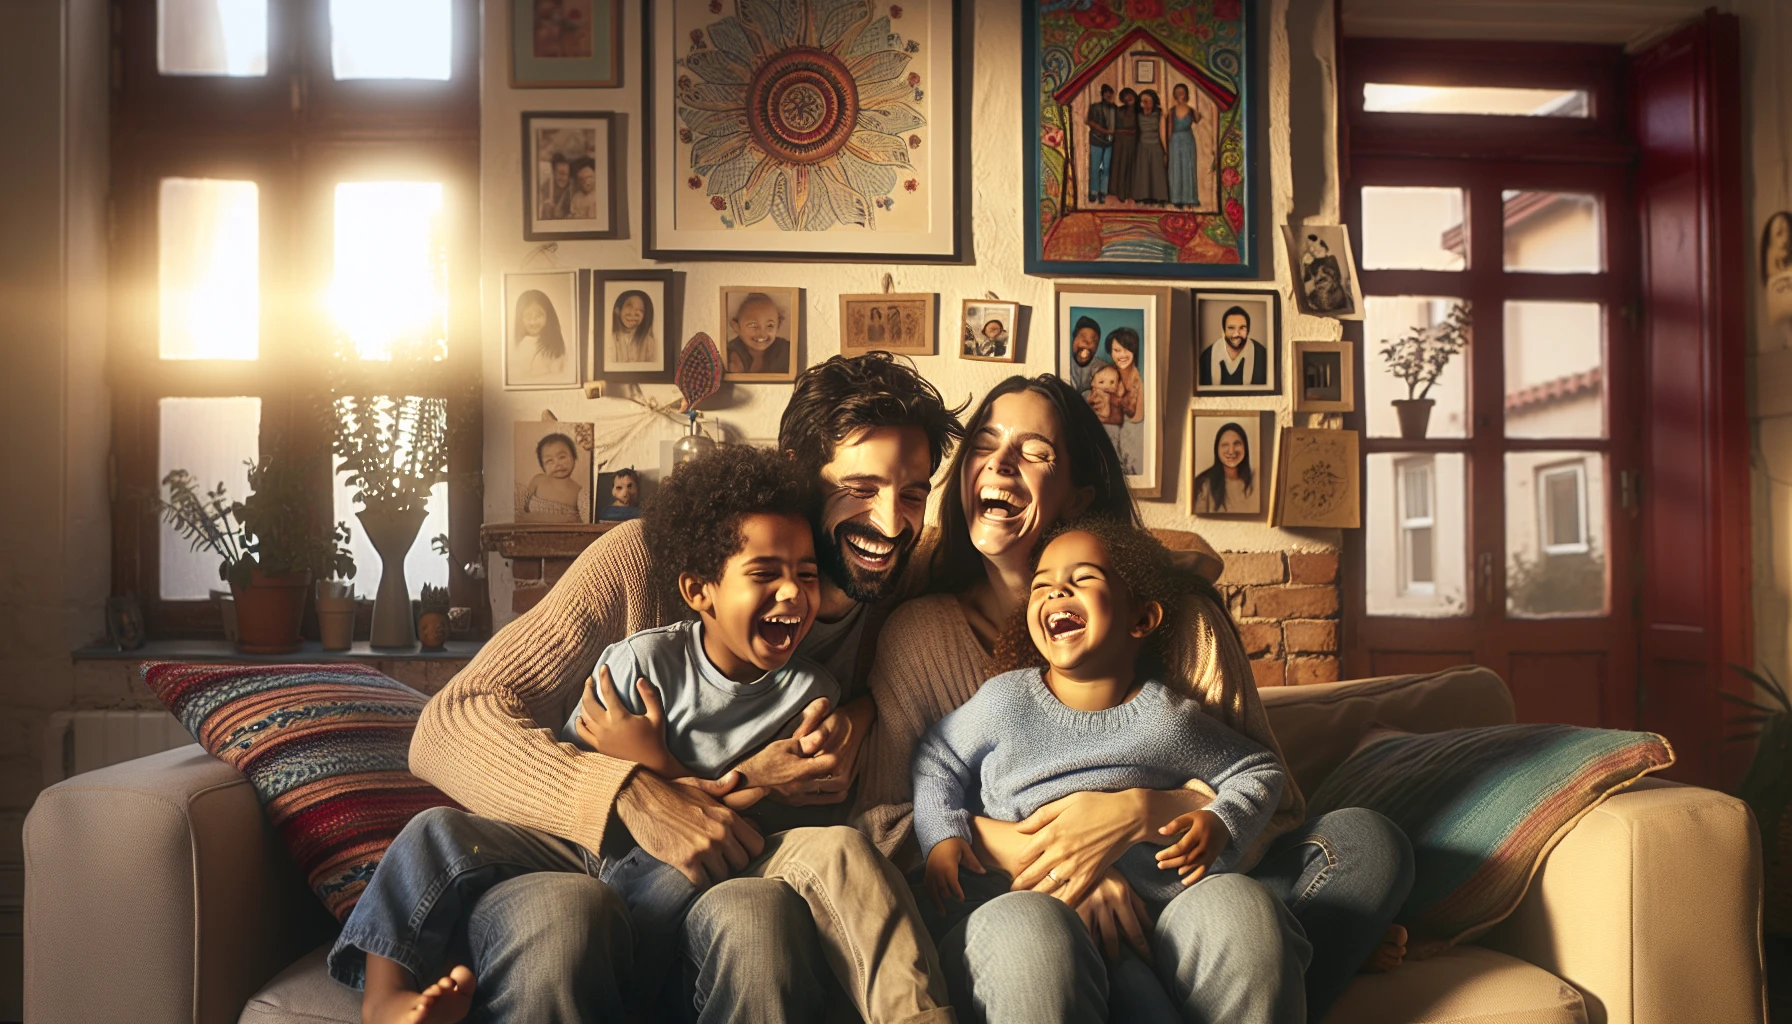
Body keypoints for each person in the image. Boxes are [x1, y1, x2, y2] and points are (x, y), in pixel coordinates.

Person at [405, 354, 964, 1023]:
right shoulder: (647, 561)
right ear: (794, 468)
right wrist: (632, 792)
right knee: (563, 921)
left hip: (740, 889)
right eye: (860, 487)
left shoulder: (908, 600)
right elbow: (451, 723)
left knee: (756, 921)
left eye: (912, 493)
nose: (893, 522)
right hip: (575, 875)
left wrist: (864, 712)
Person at [853, 374, 1413, 1024]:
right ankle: (1261, 961)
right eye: (985, 442)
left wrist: (1138, 814)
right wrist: (1056, 862)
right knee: (1035, 940)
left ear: (1079, 496)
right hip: (1018, 906)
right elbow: (883, 829)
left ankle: (1207, 963)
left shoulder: (1183, 625)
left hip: (1177, 890)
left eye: (1034, 451)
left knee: (1366, 846)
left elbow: (1276, 805)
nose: (1000, 462)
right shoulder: (920, 637)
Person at [916, 518, 1291, 996]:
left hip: (1143, 927)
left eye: (1082, 578)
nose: (1056, 593)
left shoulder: (1166, 720)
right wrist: (941, 834)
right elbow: (936, 755)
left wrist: (1221, 821)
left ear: (1141, 619)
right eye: (1042, 586)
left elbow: (1257, 769)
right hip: (1024, 910)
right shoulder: (1004, 702)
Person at [516, 432, 589, 523]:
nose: (557, 464)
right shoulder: (538, 480)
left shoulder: (578, 491)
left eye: (562, 457)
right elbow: (522, 508)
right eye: (549, 461)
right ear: (543, 467)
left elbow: (578, 520)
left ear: (574, 457)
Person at [1197, 304, 1269, 389]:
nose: (1236, 333)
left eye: (1242, 328)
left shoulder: (1263, 355)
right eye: (1231, 328)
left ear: (1248, 330)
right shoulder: (1206, 357)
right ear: (1224, 330)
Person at [1192, 422, 1255, 514]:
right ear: (1217, 450)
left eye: (1237, 444)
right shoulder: (1203, 485)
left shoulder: (1256, 480)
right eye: (1225, 445)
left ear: (1245, 447)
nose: (1231, 451)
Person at [726, 292, 792, 375]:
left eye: (770, 325)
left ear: (778, 326)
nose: (761, 333)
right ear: (736, 327)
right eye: (753, 325)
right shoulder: (733, 355)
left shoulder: (784, 349)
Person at [513, 289, 567, 380]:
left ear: (548, 316)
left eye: (538, 315)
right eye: (528, 317)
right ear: (521, 319)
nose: (533, 321)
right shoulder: (522, 345)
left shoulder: (555, 343)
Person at [1131, 89, 1169, 206]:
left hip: (1156, 146)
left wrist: (1166, 151)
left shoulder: (1159, 114)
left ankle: (1159, 197)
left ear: (1153, 101)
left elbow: (1162, 133)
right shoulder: (1137, 115)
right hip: (1142, 146)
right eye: (1142, 100)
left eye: (1147, 100)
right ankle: (1143, 196)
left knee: (1157, 172)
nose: (1144, 103)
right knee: (1143, 172)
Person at [1167, 83, 1202, 209]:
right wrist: (1168, 145)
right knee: (1176, 168)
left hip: (1188, 140)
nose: (1180, 94)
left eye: (1182, 91)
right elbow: (1170, 128)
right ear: (1174, 95)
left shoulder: (1191, 110)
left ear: (1186, 94)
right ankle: (1176, 198)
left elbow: (1198, 119)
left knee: (1188, 167)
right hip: (1175, 140)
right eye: (1178, 92)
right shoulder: (1171, 110)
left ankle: (1190, 198)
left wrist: (1194, 108)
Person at [1084, 84, 1118, 203]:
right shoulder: (1095, 107)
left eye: (1111, 93)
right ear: (1102, 94)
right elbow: (1089, 121)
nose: (1109, 95)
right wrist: (1104, 131)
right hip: (1096, 140)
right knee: (1095, 167)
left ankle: (1103, 192)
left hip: (1110, 142)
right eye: (1106, 93)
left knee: (1107, 167)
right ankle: (1094, 191)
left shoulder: (1115, 108)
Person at [608, 289, 656, 367]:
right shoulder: (612, 339)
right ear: (618, 310)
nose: (633, 313)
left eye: (640, 310)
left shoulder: (649, 342)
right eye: (629, 306)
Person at [1109, 88, 1139, 203]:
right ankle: (1120, 193)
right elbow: (1114, 125)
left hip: (1133, 141)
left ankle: (1131, 193)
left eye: (1129, 95)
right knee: (1120, 165)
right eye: (1125, 96)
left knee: (1132, 165)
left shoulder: (1139, 110)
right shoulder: (1119, 110)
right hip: (1120, 141)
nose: (1128, 98)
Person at [1066, 316, 1108, 396]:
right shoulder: (1064, 364)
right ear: (1073, 339)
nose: (1087, 343)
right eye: (1082, 336)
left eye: (1094, 340)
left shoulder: (1104, 369)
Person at [539, 155, 573, 221]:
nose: (563, 178)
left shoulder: (572, 187)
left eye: (565, 174)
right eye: (560, 173)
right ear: (553, 173)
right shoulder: (546, 188)